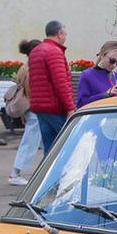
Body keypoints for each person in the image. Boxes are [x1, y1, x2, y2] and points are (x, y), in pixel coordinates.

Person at [28, 20, 75, 154]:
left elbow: (32, 81)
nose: (65, 37)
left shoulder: (36, 51)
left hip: (40, 107)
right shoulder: (54, 52)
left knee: (49, 149)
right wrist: (70, 108)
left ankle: (47, 174)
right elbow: (61, 83)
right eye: (65, 34)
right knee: (67, 144)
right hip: (55, 108)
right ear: (59, 34)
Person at [8, 38, 42, 186]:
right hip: (35, 110)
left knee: (36, 141)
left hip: (29, 110)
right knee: (30, 142)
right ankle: (15, 173)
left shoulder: (24, 67)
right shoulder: (32, 68)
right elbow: (30, 92)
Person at [76, 40, 117, 107]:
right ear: (103, 55)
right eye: (112, 61)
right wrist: (105, 94)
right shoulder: (87, 75)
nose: (114, 65)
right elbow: (81, 104)